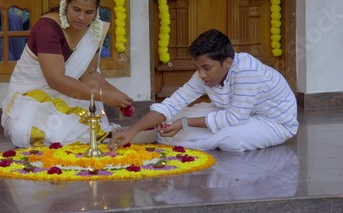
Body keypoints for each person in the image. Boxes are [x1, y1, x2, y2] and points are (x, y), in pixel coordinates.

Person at [109, 29, 298, 152]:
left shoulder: (247, 72)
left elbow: (235, 119)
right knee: (173, 117)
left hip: (274, 123)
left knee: (230, 140)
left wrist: (185, 123)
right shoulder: (205, 73)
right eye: (198, 68)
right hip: (237, 114)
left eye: (206, 68)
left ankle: (198, 140)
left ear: (228, 63)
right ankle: (164, 134)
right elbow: (174, 102)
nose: (201, 75)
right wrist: (132, 131)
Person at [1, 0, 133, 147]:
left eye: (89, 12)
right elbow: (55, 80)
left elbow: (89, 75)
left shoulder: (95, 30)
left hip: (69, 94)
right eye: (76, 9)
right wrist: (103, 96)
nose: (81, 18)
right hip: (31, 97)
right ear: (66, 3)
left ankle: (90, 133)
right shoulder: (47, 29)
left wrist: (118, 96)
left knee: (88, 122)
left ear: (96, 11)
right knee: (26, 131)